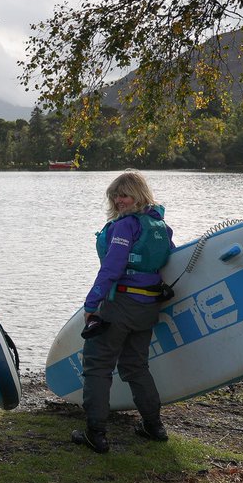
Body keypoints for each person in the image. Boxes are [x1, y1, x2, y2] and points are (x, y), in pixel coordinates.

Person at [72, 170, 175, 453]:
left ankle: (96, 433)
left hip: (120, 306)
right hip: (147, 308)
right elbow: (171, 260)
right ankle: (154, 426)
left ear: (138, 195)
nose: (119, 200)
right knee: (135, 366)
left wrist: (91, 304)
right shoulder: (159, 226)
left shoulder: (125, 226)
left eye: (125, 194)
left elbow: (113, 268)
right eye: (115, 195)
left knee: (97, 367)